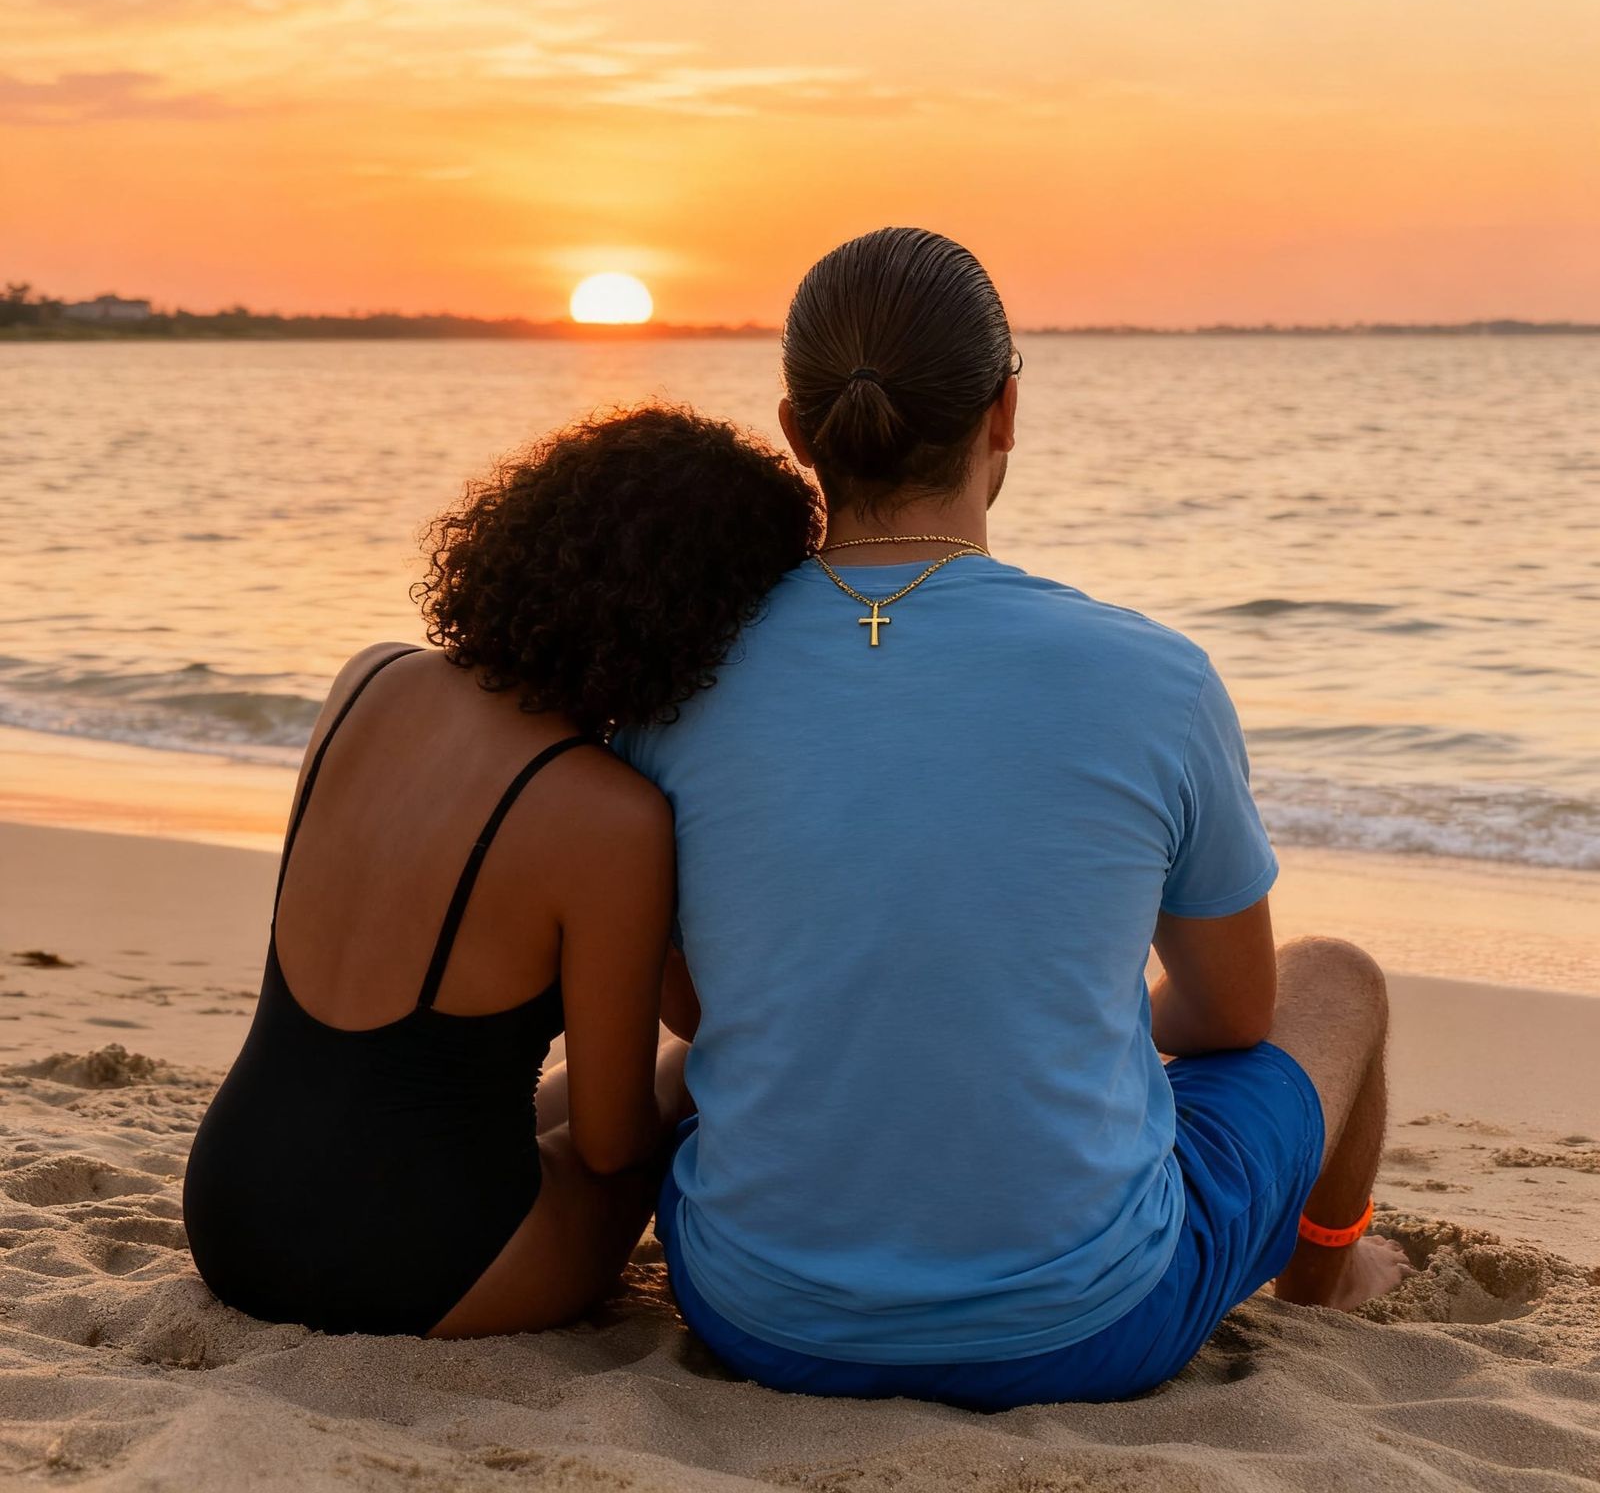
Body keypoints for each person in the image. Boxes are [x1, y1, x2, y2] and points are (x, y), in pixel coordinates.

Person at [615, 228, 1412, 1409]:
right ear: (1004, 410)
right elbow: (1234, 1011)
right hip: (1087, 1325)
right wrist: (1065, 1019)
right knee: (1337, 980)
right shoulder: (1153, 675)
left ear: (794, 430)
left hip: (759, 1315)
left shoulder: (675, 679)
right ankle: (1325, 1266)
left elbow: (694, 1005)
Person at [183, 407, 820, 1338]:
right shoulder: (608, 818)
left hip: (231, 1208)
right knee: (687, 1076)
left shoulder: (371, 679)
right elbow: (608, 1148)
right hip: (414, 1266)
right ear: (704, 625)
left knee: (478, 1092)